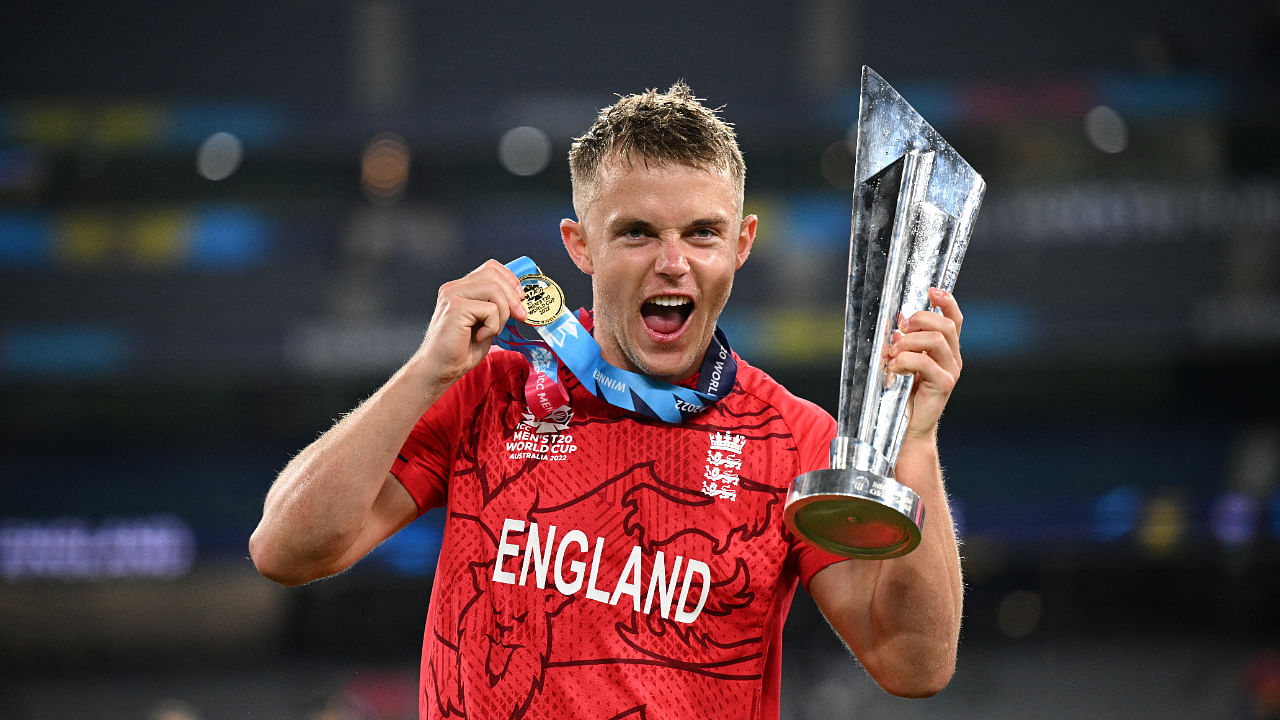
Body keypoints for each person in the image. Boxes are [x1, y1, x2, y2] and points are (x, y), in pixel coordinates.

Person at [250, 82, 964, 719]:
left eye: (703, 233)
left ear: (742, 244)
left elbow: (914, 665)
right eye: (637, 233)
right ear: (580, 244)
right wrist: (422, 376)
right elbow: (285, 549)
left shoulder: (793, 439)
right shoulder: (492, 390)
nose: (673, 261)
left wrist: (918, 441)